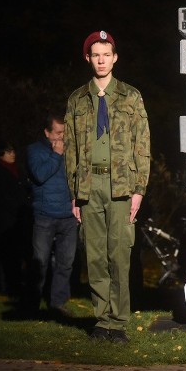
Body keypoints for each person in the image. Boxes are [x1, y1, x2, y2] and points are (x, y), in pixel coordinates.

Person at [65, 31, 150, 344]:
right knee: (95, 257)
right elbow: (71, 148)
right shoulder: (77, 99)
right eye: (95, 55)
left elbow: (143, 144)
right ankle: (102, 321)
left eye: (106, 54)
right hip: (90, 186)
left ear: (115, 58)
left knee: (119, 256)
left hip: (121, 186)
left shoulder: (130, 96)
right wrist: (74, 193)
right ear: (88, 58)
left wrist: (139, 188)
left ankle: (118, 324)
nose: (101, 60)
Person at [27, 113, 78, 314]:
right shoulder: (34, 150)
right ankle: (31, 304)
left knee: (66, 263)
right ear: (47, 132)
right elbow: (39, 175)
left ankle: (58, 303)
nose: (62, 136)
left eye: (64, 132)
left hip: (68, 216)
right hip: (45, 215)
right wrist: (56, 154)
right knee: (40, 262)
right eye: (58, 132)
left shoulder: (70, 150)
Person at [0, 141, 32, 297]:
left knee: (21, 253)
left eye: (13, 151)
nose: (12, 154)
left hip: (21, 219)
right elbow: (1, 197)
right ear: (1, 154)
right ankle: (9, 287)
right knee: (9, 255)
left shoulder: (19, 170)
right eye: (8, 152)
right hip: (7, 220)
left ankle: (20, 284)